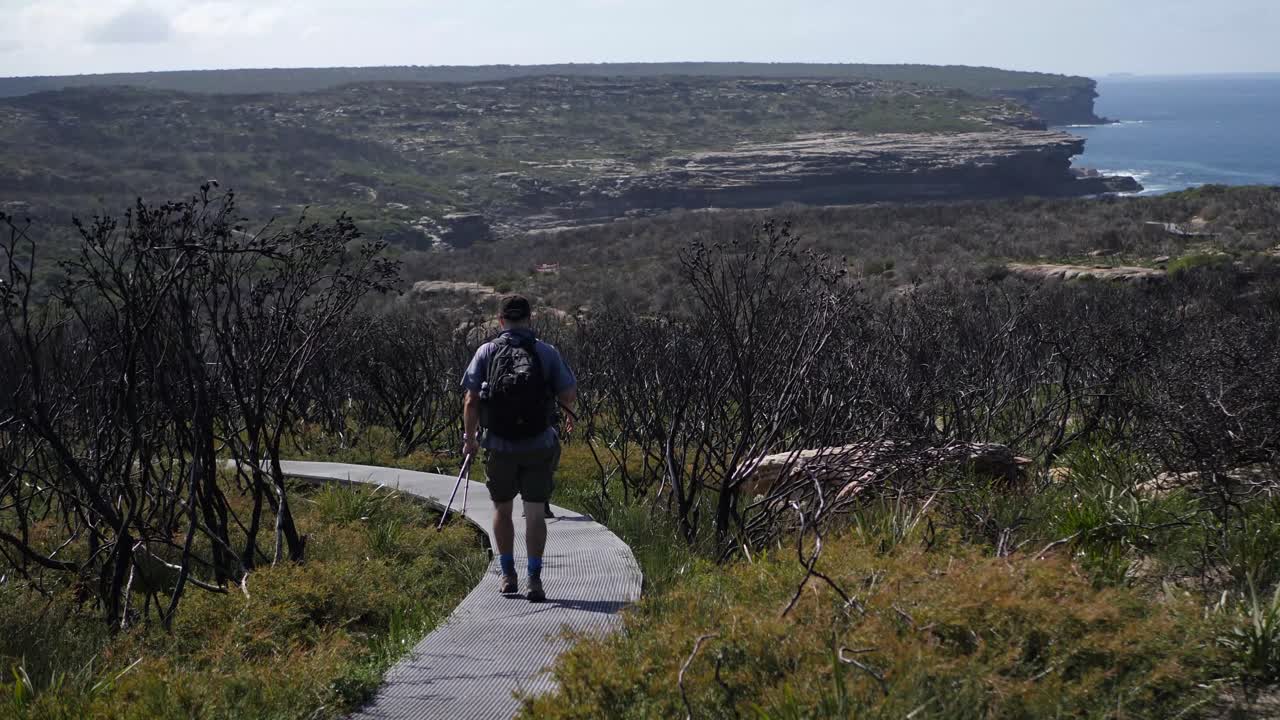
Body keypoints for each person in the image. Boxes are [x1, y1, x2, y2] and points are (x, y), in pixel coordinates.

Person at [461, 295, 576, 603]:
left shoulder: (486, 351)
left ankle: (508, 575)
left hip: (498, 443)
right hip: (539, 442)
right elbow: (568, 392)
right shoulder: (545, 352)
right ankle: (535, 579)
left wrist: (469, 439)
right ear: (529, 319)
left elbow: (471, 400)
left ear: (501, 321)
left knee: (502, 509)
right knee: (535, 512)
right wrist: (561, 411)